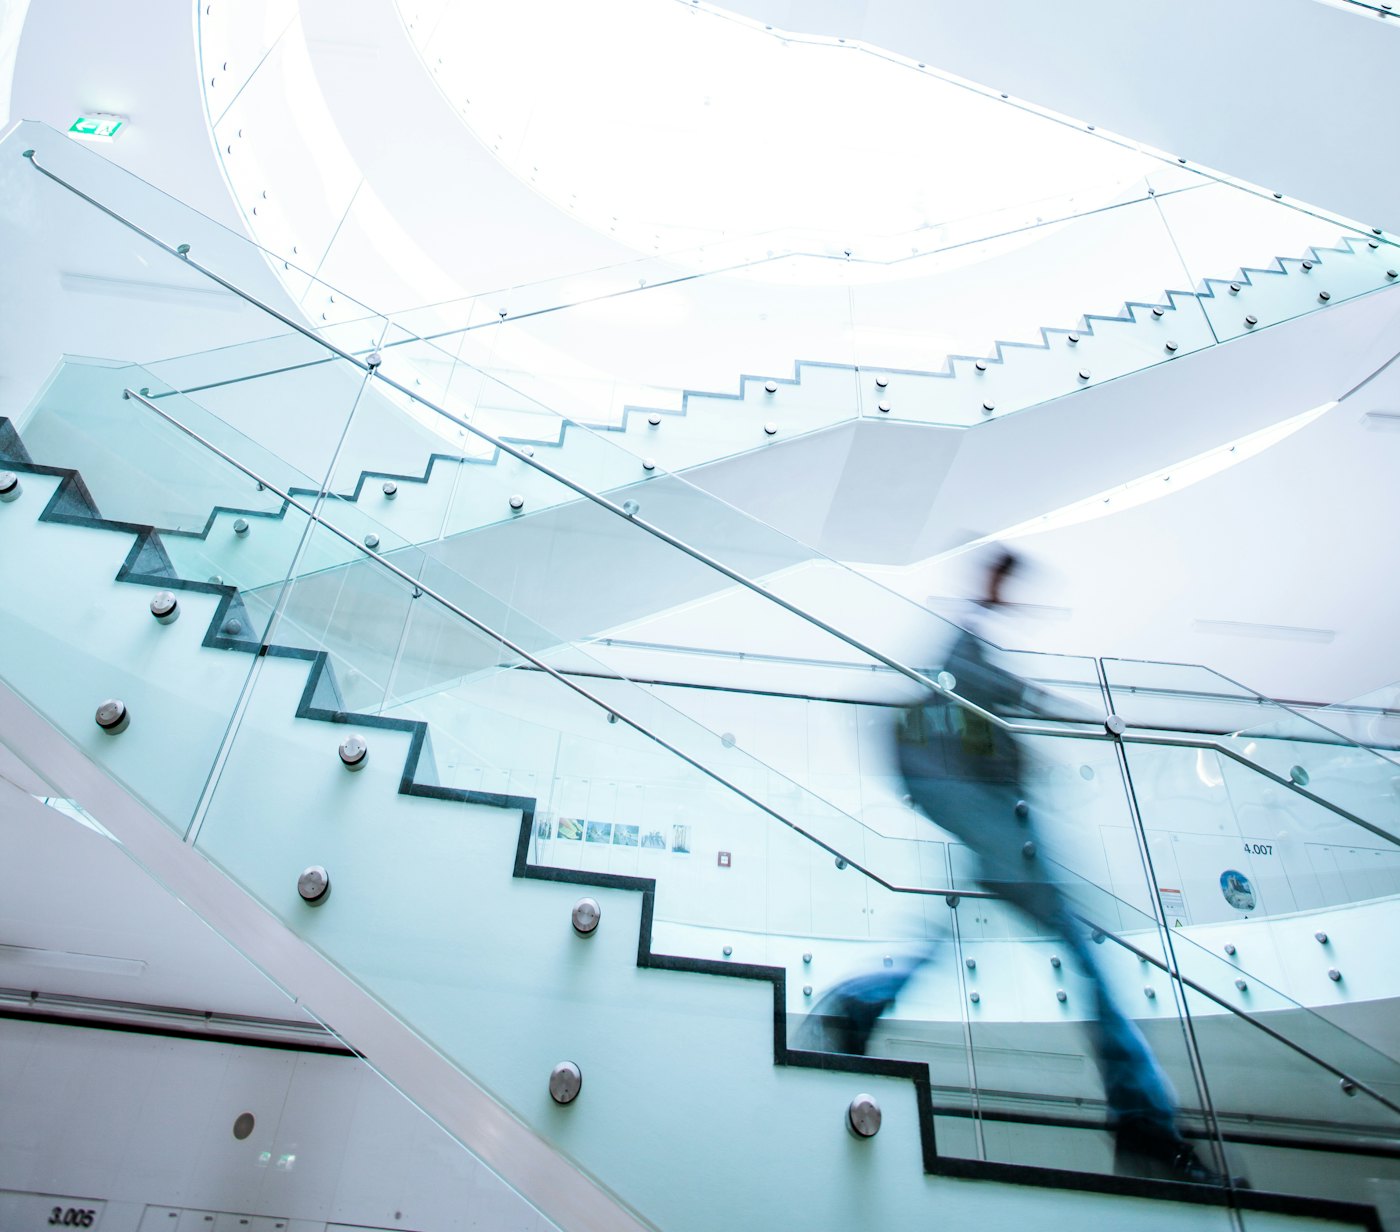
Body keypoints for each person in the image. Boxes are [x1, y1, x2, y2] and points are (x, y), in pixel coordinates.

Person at [804, 548, 1238, 1186]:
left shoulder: (967, 650)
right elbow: (974, 688)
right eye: (1002, 582)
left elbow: (984, 701)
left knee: (976, 942)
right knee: (1088, 959)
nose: (1010, 593)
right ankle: (1144, 1121)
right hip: (1003, 829)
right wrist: (1057, 709)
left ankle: (859, 1007)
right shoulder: (963, 648)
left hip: (999, 826)